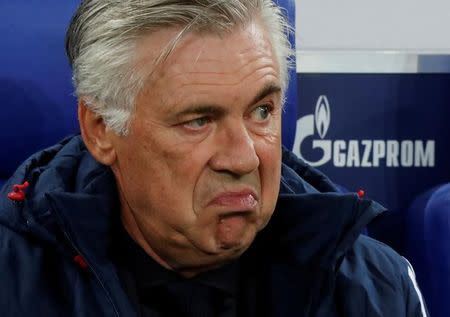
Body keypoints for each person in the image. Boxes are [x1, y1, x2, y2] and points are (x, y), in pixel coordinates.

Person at [0, 1, 428, 316]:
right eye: (199, 120)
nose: (245, 159)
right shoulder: (13, 282)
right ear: (101, 130)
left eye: (262, 112)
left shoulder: (375, 286)